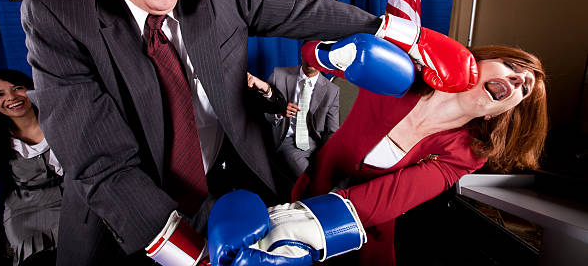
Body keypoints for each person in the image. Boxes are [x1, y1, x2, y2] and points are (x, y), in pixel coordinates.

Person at [20, 0, 475, 265]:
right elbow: (104, 166)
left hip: (232, 183)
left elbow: (303, 12)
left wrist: (402, 34)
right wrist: (192, 256)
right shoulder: (59, 15)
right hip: (125, 218)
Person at [210, 41, 548, 266]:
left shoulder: (470, 153)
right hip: (316, 183)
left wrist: (308, 226)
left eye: (525, 87)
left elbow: (394, 195)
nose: (518, 78)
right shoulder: (406, 73)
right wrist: (334, 52)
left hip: (362, 229)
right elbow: (314, 54)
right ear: (478, 62)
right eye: (510, 65)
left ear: (500, 111)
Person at [0, 69, 63, 266]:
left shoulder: (60, 118)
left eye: (17, 88)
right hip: (26, 210)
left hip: (74, 199)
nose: (12, 97)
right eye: (0, 95)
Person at [266, 56, 339, 186]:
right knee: (310, 181)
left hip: (316, 144)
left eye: (316, 57)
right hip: (287, 140)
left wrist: (328, 157)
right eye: (308, 55)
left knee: (337, 177)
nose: (311, 60)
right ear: (301, 54)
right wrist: (280, 112)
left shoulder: (332, 90)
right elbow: (261, 114)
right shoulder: (279, 76)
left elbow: (332, 131)